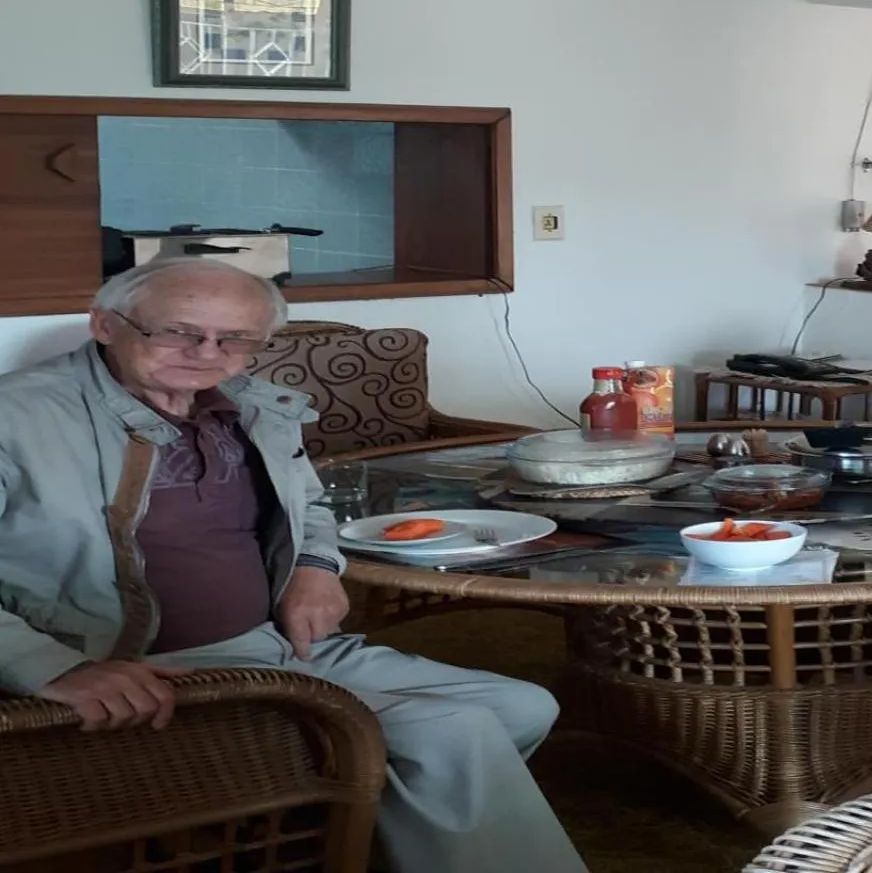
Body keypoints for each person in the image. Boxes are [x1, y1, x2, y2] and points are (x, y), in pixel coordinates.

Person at [0, 258, 587, 873]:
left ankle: (348, 832)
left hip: (280, 646)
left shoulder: (254, 407)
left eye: (235, 339)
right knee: (452, 732)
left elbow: (307, 502)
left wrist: (314, 566)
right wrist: (54, 667)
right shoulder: (19, 418)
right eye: (177, 331)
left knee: (523, 707)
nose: (206, 353)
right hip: (147, 667)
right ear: (104, 325)